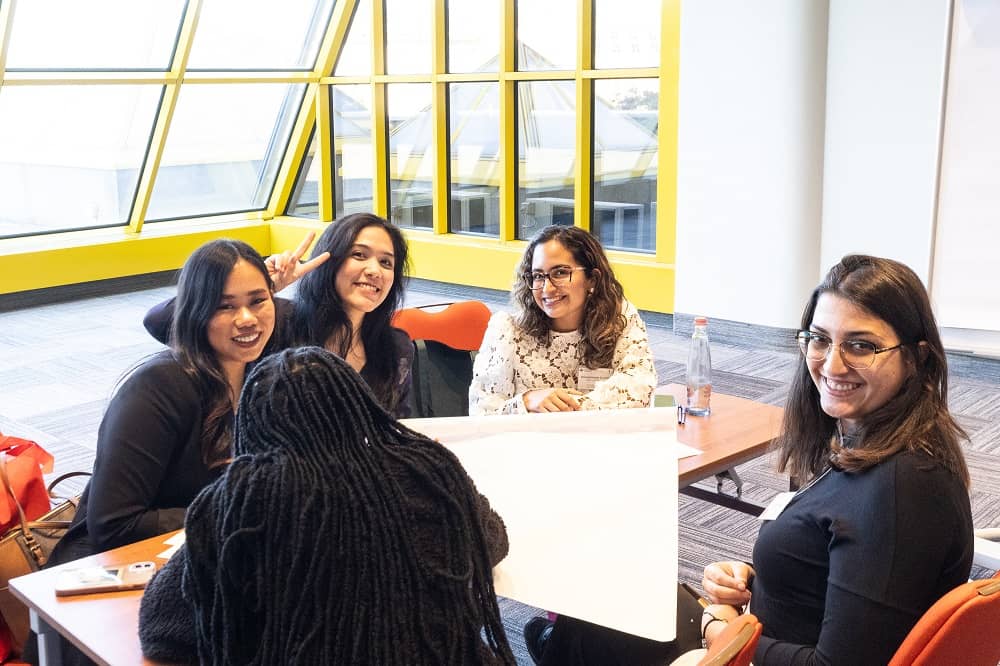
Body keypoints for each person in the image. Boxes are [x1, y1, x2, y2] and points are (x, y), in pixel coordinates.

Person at [526, 254, 974, 665]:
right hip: (757, 630)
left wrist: (719, 630)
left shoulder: (900, 490)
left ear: (915, 358)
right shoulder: (873, 446)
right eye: (819, 339)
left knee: (596, 615)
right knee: (607, 590)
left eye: (861, 346)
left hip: (747, 653)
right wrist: (757, 580)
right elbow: (847, 582)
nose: (832, 365)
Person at [138, 347, 516, 665]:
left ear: (252, 426)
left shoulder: (237, 504)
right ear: (359, 408)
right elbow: (493, 543)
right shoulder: (427, 472)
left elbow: (160, 627)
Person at [22, 240, 276, 666]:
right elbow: (113, 524)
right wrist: (232, 514)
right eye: (225, 306)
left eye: (258, 301)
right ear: (195, 311)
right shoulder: (159, 387)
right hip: (110, 578)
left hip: (199, 564)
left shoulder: (261, 378)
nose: (247, 318)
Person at [143, 213, 414, 417]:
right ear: (329, 261)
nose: (374, 271)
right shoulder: (277, 320)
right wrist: (264, 285)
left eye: (386, 262)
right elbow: (159, 321)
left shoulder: (395, 347)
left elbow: (400, 427)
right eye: (359, 255)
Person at [469, 225, 656, 415]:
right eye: (538, 276)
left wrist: (560, 406)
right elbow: (481, 411)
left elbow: (638, 392)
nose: (547, 288)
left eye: (560, 273)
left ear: (592, 278)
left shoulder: (619, 320)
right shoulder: (507, 330)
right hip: (530, 434)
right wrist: (526, 401)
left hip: (599, 434)